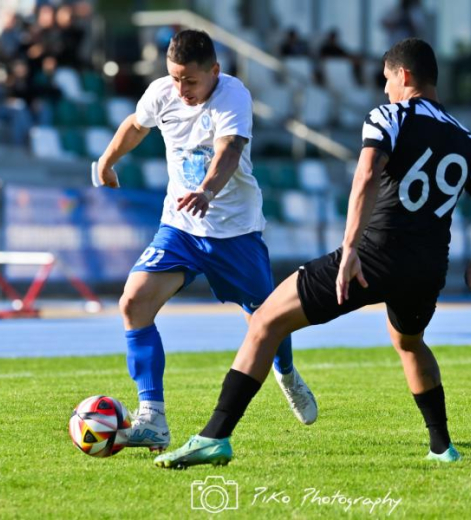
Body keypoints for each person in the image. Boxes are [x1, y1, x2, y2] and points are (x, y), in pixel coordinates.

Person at [155, 38, 471, 469]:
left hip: (375, 256)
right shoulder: (463, 137)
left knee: (266, 320)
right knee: (409, 342)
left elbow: (366, 174)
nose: (385, 90)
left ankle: (215, 436)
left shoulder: (390, 117)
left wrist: (349, 250)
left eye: (386, 80)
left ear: (403, 76)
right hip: (428, 268)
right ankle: (442, 447)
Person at [95, 29, 318, 452]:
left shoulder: (233, 95)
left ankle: (286, 372)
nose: (181, 90)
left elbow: (229, 151)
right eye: (175, 78)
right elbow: (135, 125)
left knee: (267, 319)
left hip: (233, 231)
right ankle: (153, 417)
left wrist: (209, 191)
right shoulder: (163, 92)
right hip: (180, 228)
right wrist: (107, 159)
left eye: (190, 81)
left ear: (215, 71)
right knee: (133, 302)